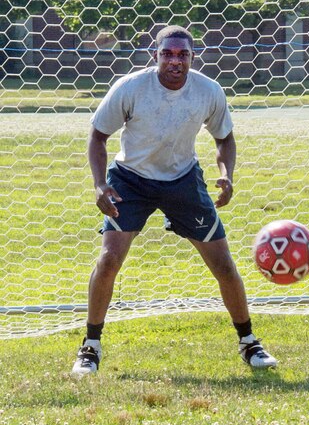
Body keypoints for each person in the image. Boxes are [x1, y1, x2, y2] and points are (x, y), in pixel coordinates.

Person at [72, 25, 276, 376]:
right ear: (156, 55)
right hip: (131, 180)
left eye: (183, 54)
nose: (175, 61)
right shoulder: (131, 88)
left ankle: (250, 343)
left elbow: (225, 139)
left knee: (224, 265)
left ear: (193, 58)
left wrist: (226, 173)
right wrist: (99, 184)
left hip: (183, 180)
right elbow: (98, 136)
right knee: (108, 260)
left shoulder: (208, 91)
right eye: (167, 53)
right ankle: (90, 347)